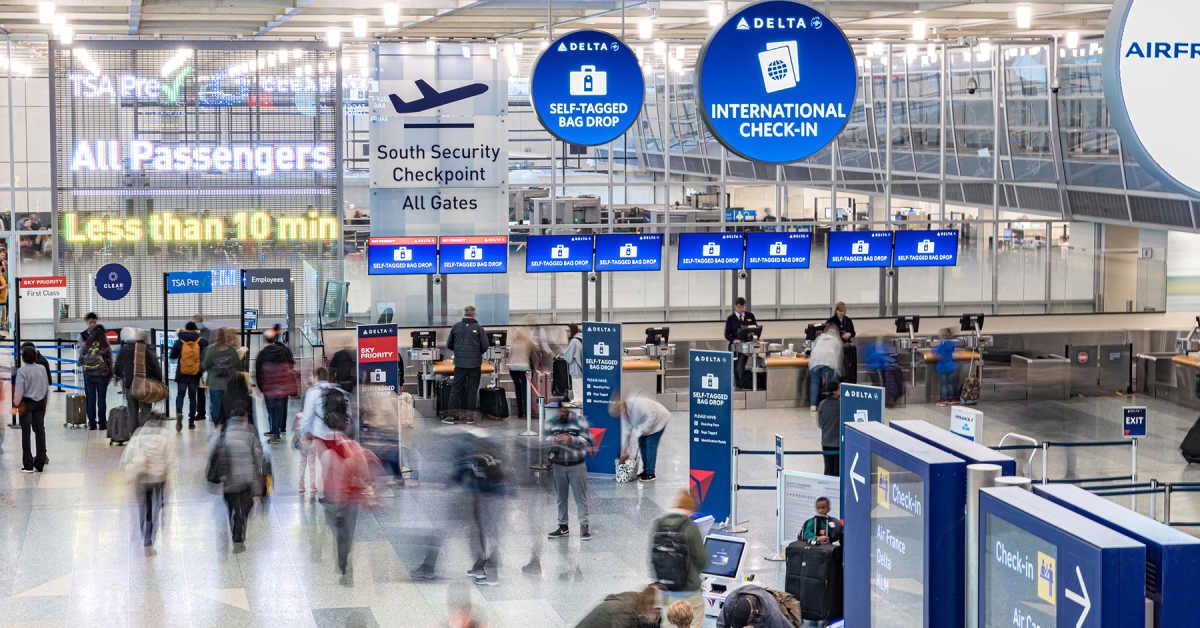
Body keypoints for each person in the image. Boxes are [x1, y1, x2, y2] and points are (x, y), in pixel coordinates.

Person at [319, 406, 380, 584]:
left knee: (338, 531)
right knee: (348, 531)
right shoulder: (357, 449)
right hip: (351, 498)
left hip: (333, 498)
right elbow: (366, 474)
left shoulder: (329, 451)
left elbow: (324, 475)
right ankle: (345, 556)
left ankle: (342, 557)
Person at [210, 399, 264, 551]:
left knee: (231, 505)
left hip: (228, 480)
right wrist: (258, 488)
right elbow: (258, 460)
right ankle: (238, 533)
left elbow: (215, 455)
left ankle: (234, 521)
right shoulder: (251, 433)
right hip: (247, 480)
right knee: (244, 509)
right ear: (245, 418)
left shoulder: (224, 433)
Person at [650, 491, 706, 628]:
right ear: (690, 509)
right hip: (688, 588)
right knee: (695, 615)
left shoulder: (659, 524)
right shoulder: (690, 527)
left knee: (669, 620)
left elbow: (652, 556)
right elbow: (701, 559)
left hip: (666, 587)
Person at [120, 412, 172, 552]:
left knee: (143, 507)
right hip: (158, 479)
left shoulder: (139, 434)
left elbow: (127, 457)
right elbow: (170, 460)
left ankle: (144, 529)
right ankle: (149, 538)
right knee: (154, 509)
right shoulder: (165, 437)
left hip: (142, 478)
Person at [546, 406, 593, 540]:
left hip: (577, 465)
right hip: (558, 466)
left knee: (580, 498)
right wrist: (552, 440)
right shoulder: (552, 422)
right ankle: (563, 527)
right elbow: (544, 440)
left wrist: (571, 439)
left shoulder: (580, 421)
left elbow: (587, 441)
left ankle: (584, 528)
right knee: (561, 498)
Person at [299, 367, 345, 493]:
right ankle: (339, 488)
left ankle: (328, 492)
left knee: (325, 463)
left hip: (321, 434)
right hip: (338, 433)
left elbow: (307, 416)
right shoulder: (337, 389)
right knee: (337, 462)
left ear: (316, 378)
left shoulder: (313, 392)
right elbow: (347, 412)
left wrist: (303, 432)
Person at [446, 305, 489, 425]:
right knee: (472, 390)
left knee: (456, 389)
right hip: (474, 365)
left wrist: (458, 351)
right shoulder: (479, 329)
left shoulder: (456, 327)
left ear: (464, 314)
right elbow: (485, 346)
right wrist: (476, 353)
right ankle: (469, 418)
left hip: (459, 364)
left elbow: (449, 344)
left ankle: (451, 417)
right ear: (474, 314)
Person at [612, 394, 671, 482]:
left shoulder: (636, 404)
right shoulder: (625, 415)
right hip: (645, 424)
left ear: (621, 408)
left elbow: (652, 414)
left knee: (650, 444)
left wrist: (645, 430)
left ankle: (650, 473)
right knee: (641, 444)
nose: (620, 416)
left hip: (659, 419)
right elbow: (626, 433)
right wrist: (624, 451)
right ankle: (646, 471)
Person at [113, 328, 164, 425]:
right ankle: (144, 435)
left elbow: (118, 366)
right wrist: (158, 381)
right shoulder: (147, 350)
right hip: (145, 386)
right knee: (146, 411)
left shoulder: (124, 350)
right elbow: (156, 367)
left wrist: (117, 376)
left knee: (132, 412)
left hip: (130, 385)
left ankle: (133, 435)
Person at [255, 328, 297, 444]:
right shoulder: (283, 351)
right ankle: (278, 430)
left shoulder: (263, 354)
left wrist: (260, 387)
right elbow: (290, 365)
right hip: (283, 385)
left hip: (269, 386)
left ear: (265, 340)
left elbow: (258, 372)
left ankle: (275, 433)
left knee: (271, 410)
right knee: (280, 409)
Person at [13, 345, 49, 473]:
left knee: (26, 433)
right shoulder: (42, 368)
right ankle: (40, 462)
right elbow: (45, 386)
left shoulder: (22, 371)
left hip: (26, 404)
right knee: (40, 432)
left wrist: (16, 404)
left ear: (23, 358)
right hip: (40, 403)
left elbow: (19, 391)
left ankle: (28, 464)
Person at [169, 321, 207, 431]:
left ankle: (179, 413)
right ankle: (191, 421)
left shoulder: (179, 340)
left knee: (180, 395)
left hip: (182, 372)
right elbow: (205, 356)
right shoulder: (201, 341)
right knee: (192, 397)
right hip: (195, 374)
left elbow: (172, 356)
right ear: (195, 329)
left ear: (185, 329)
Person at [200, 328, 242, 424]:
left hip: (214, 383)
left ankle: (217, 425)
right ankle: (226, 425)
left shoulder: (210, 350)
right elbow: (238, 365)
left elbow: (205, 365)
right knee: (228, 405)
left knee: (215, 406)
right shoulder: (231, 350)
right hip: (229, 383)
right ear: (225, 337)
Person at [575, 584, 664, 628]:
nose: (658, 615)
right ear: (649, 607)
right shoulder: (624, 613)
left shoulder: (635, 598)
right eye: (657, 611)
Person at [80, 325, 114, 431]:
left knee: (91, 400)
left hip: (89, 375)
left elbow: (80, 360)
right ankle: (103, 424)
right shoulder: (105, 346)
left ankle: (92, 424)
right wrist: (110, 375)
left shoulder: (87, 344)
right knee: (101, 400)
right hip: (102, 376)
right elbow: (110, 361)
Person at [717, 584, 794, 628]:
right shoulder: (731, 601)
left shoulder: (772, 614)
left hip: (773, 604)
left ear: (754, 612)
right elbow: (721, 624)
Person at [725, 298, 758, 389]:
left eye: (742, 307)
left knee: (740, 366)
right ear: (735, 306)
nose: (740, 309)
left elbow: (755, 328)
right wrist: (734, 340)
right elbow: (727, 334)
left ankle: (741, 385)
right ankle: (738, 385)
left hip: (746, 346)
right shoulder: (731, 319)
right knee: (736, 367)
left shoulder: (750, 316)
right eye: (739, 307)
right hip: (734, 347)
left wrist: (753, 337)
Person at [808, 325, 842, 413]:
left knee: (814, 382)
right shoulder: (837, 340)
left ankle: (813, 405)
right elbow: (838, 356)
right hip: (829, 361)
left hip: (815, 360)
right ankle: (827, 403)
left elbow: (813, 349)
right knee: (829, 381)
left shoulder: (819, 338)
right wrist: (838, 370)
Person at [826, 301, 857, 383]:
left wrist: (849, 334)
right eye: (840, 311)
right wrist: (840, 336)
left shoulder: (848, 320)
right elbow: (827, 334)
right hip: (836, 348)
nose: (841, 313)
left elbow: (853, 333)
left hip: (847, 348)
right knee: (839, 367)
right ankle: (838, 383)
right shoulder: (831, 321)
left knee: (848, 367)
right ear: (836, 311)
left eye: (843, 311)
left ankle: (848, 381)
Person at [508, 328, 534, 419]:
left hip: (513, 368)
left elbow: (510, 354)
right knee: (525, 390)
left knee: (518, 389)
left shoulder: (513, 343)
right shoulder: (528, 342)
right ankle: (527, 412)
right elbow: (533, 355)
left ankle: (520, 412)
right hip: (524, 368)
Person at [817, 382, 841, 477]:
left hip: (826, 442)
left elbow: (820, 424)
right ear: (835, 391)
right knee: (837, 470)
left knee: (828, 469)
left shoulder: (822, 404)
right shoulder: (842, 404)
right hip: (838, 444)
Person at [935, 327, 959, 406]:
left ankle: (943, 400)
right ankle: (951, 399)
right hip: (950, 367)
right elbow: (951, 352)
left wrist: (934, 348)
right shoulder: (950, 343)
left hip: (943, 368)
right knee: (950, 384)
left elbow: (935, 351)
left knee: (943, 385)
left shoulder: (943, 343)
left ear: (942, 336)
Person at [563, 323, 583, 403]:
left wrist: (565, 353)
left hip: (576, 370)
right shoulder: (581, 339)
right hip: (582, 370)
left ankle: (578, 414)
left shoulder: (574, 341)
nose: (567, 333)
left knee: (578, 397)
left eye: (568, 331)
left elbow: (568, 358)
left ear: (572, 331)